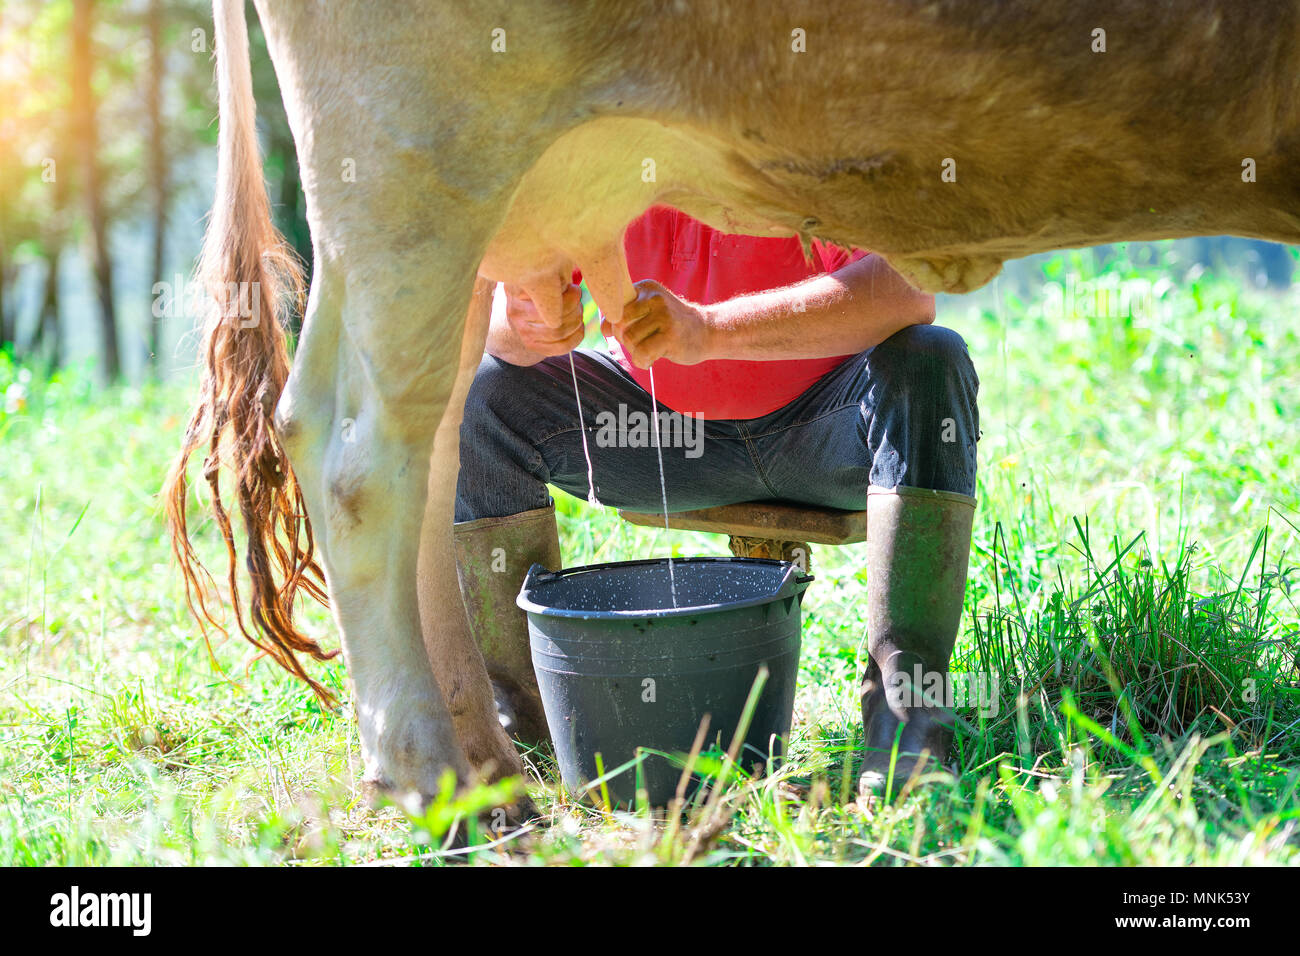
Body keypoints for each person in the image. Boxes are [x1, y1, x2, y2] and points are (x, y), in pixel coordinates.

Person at [449, 205, 979, 793]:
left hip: (829, 428)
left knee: (932, 357)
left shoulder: (795, 128)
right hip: (661, 435)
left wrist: (709, 329)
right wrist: (522, 320)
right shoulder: (601, 152)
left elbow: (908, 292)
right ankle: (524, 729)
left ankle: (905, 715)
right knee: (487, 392)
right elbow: (501, 328)